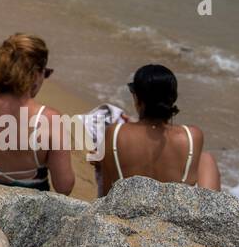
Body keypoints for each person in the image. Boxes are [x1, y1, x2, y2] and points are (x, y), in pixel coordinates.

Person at [0, 33, 74, 194]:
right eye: (46, 73)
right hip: (27, 206)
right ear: (36, 74)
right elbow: (64, 186)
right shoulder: (49, 119)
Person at [93, 64, 220, 197]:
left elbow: (105, 195)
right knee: (206, 158)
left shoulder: (115, 133)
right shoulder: (192, 135)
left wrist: (103, 162)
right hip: (175, 213)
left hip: (127, 210)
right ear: (173, 98)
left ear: (137, 98)